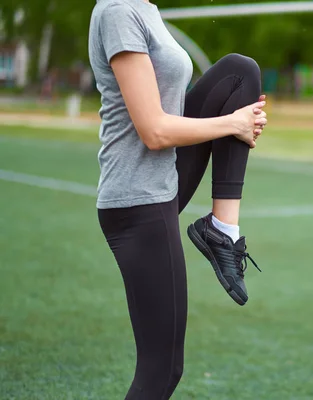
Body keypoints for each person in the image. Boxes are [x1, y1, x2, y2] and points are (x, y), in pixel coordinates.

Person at [88, 0, 267, 398]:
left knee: (241, 75)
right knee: (163, 370)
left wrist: (237, 117)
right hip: (136, 200)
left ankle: (222, 230)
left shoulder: (146, 8)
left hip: (163, 179)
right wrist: (232, 123)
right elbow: (153, 130)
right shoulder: (119, 11)